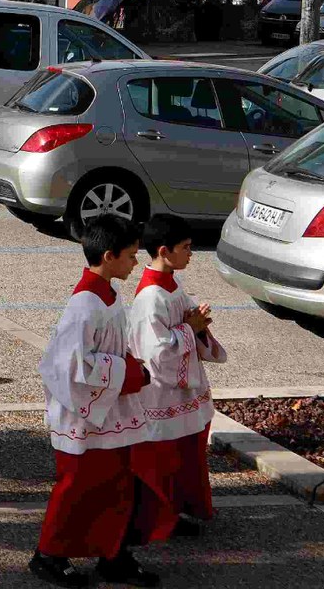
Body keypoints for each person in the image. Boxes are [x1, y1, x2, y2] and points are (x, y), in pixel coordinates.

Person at [29, 214, 162, 589]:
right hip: (84, 413)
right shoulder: (84, 306)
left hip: (108, 408)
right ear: (108, 256)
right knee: (78, 488)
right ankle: (49, 555)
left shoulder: (108, 295)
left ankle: (113, 553)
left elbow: (109, 349)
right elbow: (72, 366)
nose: (135, 263)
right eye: (131, 255)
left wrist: (129, 365)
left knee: (116, 485)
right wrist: (129, 372)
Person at [128, 214, 226, 540]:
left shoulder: (172, 284)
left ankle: (182, 508)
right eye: (185, 247)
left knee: (186, 454)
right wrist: (190, 328)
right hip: (161, 393)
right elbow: (155, 353)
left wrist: (196, 323)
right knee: (163, 461)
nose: (191, 254)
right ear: (163, 251)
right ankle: (160, 520)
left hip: (183, 391)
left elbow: (185, 325)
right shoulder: (149, 298)